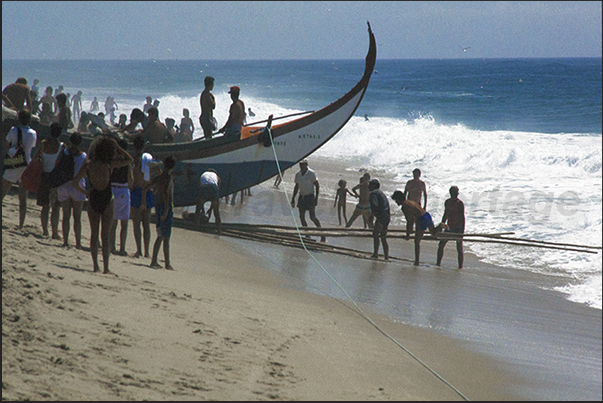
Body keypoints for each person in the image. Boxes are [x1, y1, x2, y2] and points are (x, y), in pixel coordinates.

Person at [72, 136, 133, 274]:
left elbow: (75, 182)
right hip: (107, 199)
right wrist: (118, 147)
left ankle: (96, 266)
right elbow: (129, 160)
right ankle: (106, 268)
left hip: (94, 198)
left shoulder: (89, 164)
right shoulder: (110, 164)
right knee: (105, 236)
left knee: (94, 234)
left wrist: (86, 192)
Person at [2, 110, 38, 228]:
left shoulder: (13, 130)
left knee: (3, 192)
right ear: (30, 120)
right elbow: (30, 148)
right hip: (25, 164)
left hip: (13, 163)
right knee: (23, 196)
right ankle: (21, 224)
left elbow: (7, 144)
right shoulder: (33, 133)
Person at [391, 190, 444, 266]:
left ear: (399, 199)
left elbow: (410, 221)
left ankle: (417, 261)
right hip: (426, 215)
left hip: (421, 219)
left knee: (417, 241)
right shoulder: (409, 201)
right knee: (433, 233)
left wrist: (408, 234)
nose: (396, 202)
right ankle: (440, 225)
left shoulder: (404, 206)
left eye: (396, 200)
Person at [33, 122, 63, 239]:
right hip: (55, 178)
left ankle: (45, 230)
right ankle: (54, 232)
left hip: (44, 176)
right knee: (55, 207)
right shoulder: (61, 147)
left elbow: (36, 158)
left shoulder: (43, 144)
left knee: (45, 207)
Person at [57, 132, 87, 248]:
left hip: (64, 185)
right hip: (78, 186)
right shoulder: (83, 156)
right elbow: (85, 173)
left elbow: (57, 165)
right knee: (77, 217)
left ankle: (65, 241)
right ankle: (78, 242)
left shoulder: (64, 152)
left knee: (65, 215)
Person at [150, 155, 176, 270]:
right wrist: (166, 210)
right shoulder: (168, 178)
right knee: (165, 237)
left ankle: (155, 260)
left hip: (158, 206)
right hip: (165, 207)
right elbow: (166, 194)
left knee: (160, 235)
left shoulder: (160, 177)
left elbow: (153, 189)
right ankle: (167, 263)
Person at [130, 134, 154, 258]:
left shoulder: (134, 160)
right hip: (147, 191)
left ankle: (139, 250)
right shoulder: (148, 159)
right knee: (146, 224)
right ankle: (147, 252)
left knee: (137, 224)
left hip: (137, 193)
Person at [290, 159, 325, 242]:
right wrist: (293, 198)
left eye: (303, 165)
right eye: (300, 165)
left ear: (306, 165)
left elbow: (317, 185)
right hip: (301, 196)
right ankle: (307, 234)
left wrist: (316, 198)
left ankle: (322, 234)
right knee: (301, 216)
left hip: (310, 197)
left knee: (312, 217)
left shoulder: (311, 173)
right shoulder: (298, 174)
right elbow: (296, 186)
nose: (301, 167)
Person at [110, 138, 133, 256]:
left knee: (113, 223)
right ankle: (122, 248)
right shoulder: (126, 163)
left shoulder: (112, 161)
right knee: (124, 223)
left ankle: (112, 246)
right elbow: (131, 180)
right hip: (123, 189)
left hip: (113, 188)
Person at [437, 186, 465, 269]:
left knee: (459, 248)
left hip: (458, 228)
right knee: (441, 244)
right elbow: (445, 214)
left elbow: (462, 217)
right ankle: (438, 263)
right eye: (456, 192)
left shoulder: (459, 203)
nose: (457, 194)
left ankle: (460, 266)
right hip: (449, 227)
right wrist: (442, 225)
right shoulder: (447, 202)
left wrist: (462, 231)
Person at [369, 179, 390, 260]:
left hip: (381, 216)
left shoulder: (373, 193)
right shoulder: (381, 193)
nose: (368, 186)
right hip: (387, 216)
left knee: (376, 234)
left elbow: (374, 205)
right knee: (383, 237)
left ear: (374, 186)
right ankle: (386, 256)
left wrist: (372, 216)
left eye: (370, 185)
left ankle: (375, 253)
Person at [195, 169, 221, 234]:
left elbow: (200, 190)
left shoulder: (203, 174)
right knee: (216, 212)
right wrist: (211, 209)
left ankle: (196, 226)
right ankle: (219, 229)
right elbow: (217, 190)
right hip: (214, 188)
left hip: (204, 188)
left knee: (198, 208)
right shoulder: (217, 177)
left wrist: (202, 208)